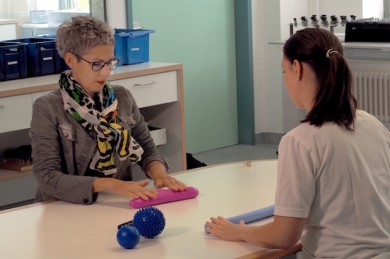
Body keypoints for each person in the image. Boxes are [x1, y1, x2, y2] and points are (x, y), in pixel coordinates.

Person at [206, 28, 390, 258]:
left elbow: (284, 237)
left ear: (297, 68)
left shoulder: (300, 141)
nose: (285, 79)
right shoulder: (373, 124)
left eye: (283, 71)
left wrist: (240, 231)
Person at [29, 15, 186, 205]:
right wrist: (110, 185)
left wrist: (159, 173)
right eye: (97, 64)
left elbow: (147, 150)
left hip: (115, 202)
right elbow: (48, 178)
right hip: (64, 207)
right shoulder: (47, 107)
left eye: (110, 62)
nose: (106, 72)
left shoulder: (122, 97)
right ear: (71, 59)